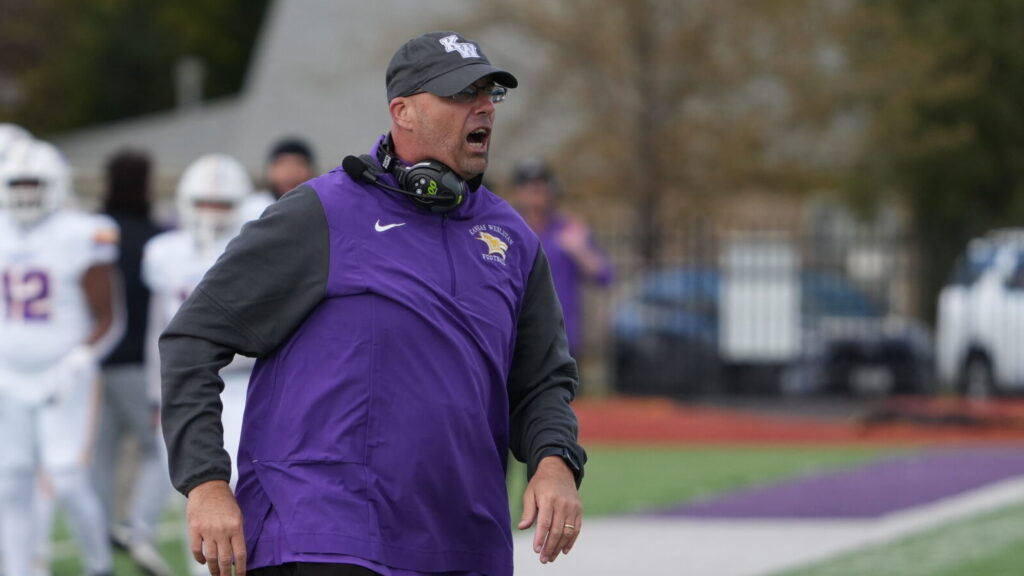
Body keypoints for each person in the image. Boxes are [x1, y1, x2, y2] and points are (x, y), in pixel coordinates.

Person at [160, 31, 586, 576]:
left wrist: (554, 462)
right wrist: (207, 483)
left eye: (489, 94)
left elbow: (542, 381)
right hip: (325, 534)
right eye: (460, 94)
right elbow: (191, 340)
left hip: (463, 539)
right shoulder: (321, 212)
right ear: (402, 111)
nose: (482, 107)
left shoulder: (513, 239)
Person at [0, 138, 120, 576]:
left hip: (63, 374)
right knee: (10, 482)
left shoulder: (82, 231)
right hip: (8, 375)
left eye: (35, 183)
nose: (26, 192)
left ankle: (98, 564)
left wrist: (80, 360)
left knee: (66, 478)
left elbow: (110, 316)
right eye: (17, 183)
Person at [143, 153, 255, 576]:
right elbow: (159, 327)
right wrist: (157, 395)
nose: (212, 213)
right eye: (205, 202)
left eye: (223, 204)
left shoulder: (257, 241)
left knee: (238, 493)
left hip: (245, 380)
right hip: (188, 384)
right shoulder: (164, 252)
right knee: (195, 500)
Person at [89, 149, 173, 576]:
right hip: (141, 363)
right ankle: (138, 528)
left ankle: (100, 542)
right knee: (161, 452)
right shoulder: (156, 239)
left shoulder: (94, 234)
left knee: (98, 459)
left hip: (95, 364)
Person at [510, 158, 613, 359]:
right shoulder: (507, 230)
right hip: (516, 340)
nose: (535, 191)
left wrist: (580, 249)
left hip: (562, 340)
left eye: (541, 185)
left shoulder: (568, 229)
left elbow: (605, 276)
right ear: (518, 192)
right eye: (528, 185)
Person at [240, 137, 317, 222]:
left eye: (299, 164)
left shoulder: (321, 210)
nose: (291, 172)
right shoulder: (250, 211)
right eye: (283, 164)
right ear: (270, 170)